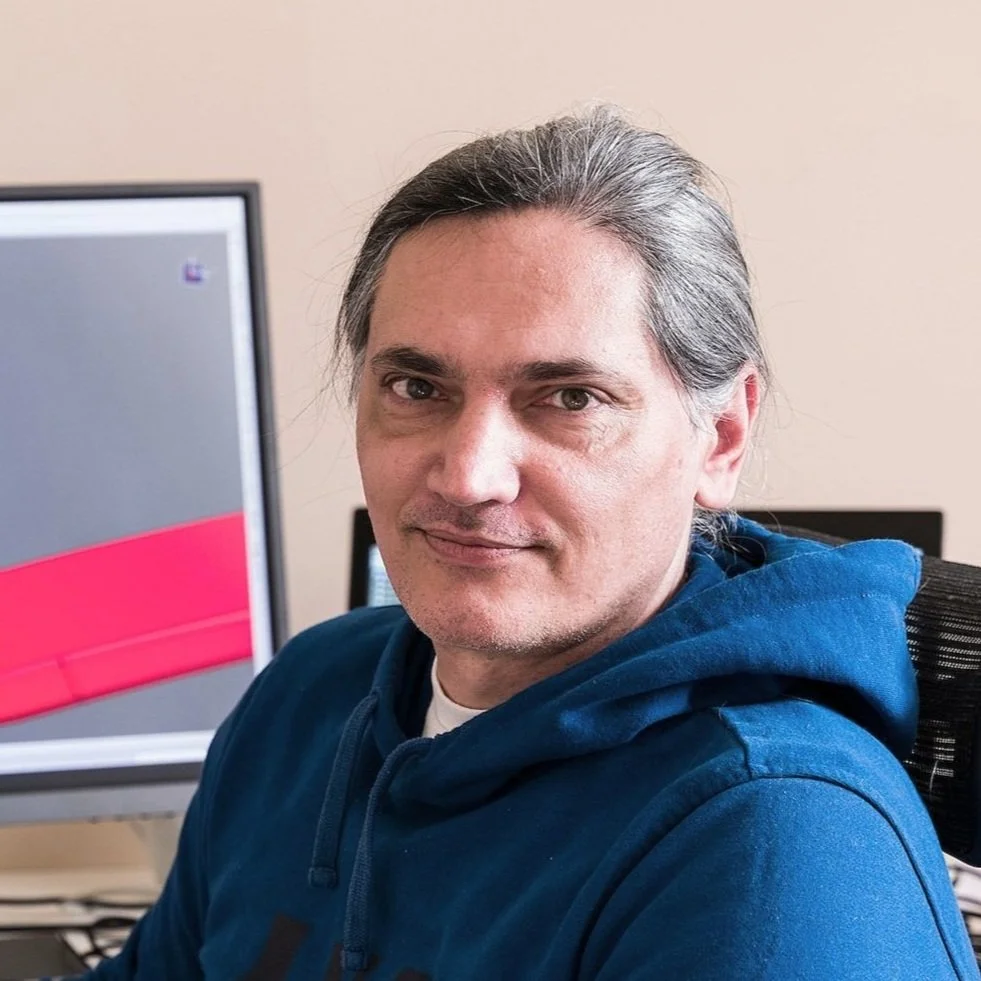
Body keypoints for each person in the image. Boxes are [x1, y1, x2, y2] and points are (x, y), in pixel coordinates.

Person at [76, 107, 977, 980]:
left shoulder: (773, 843)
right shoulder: (311, 696)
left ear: (720, 438)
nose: (469, 476)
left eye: (569, 397)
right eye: (416, 387)